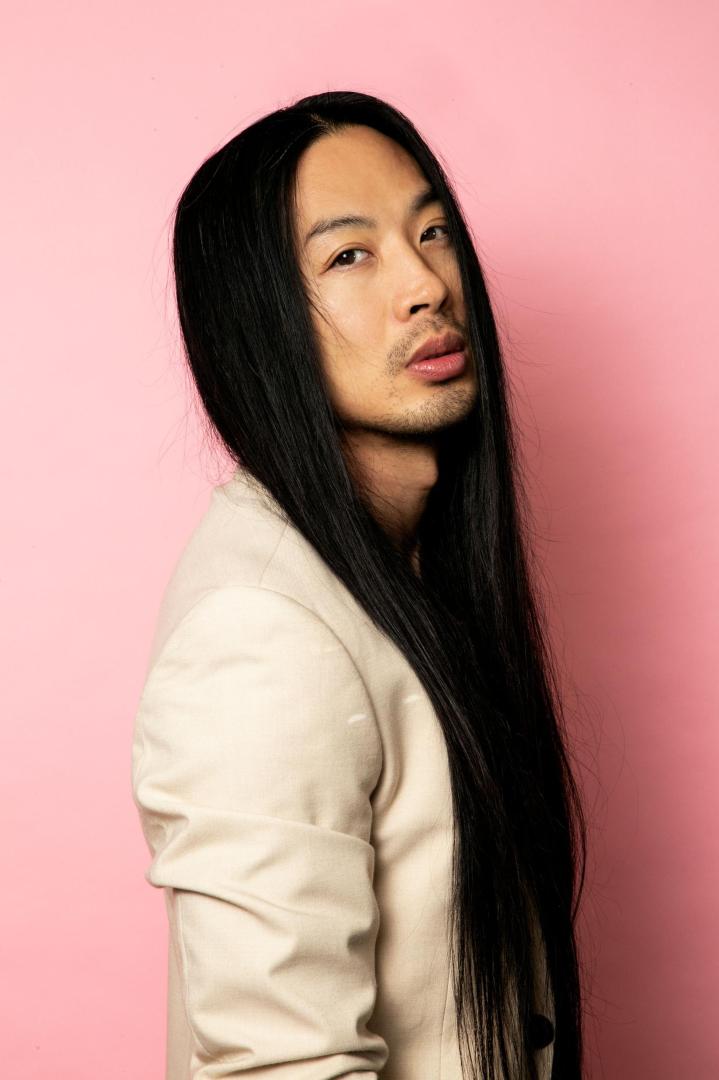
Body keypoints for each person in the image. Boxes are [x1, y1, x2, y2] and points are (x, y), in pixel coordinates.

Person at [130, 90, 587, 1080]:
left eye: (432, 231)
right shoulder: (260, 630)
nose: (426, 284)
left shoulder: (410, 577)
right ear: (256, 324)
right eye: (349, 255)